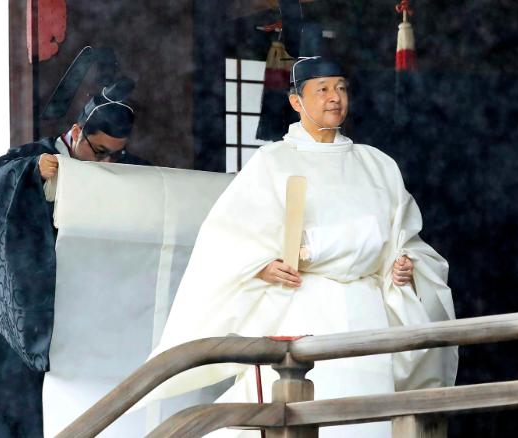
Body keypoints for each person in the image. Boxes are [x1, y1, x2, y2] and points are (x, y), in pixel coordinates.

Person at [143, 56, 458, 437]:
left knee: (365, 417)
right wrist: (261, 265)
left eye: (341, 88)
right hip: (303, 304)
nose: (334, 98)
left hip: (366, 309)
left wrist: (401, 266)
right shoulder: (271, 162)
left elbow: (404, 239)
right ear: (297, 101)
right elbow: (227, 239)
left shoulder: (378, 165)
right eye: (322, 89)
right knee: (302, 410)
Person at [0, 80, 146, 438]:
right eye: (100, 151)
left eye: (115, 155)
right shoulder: (33, 157)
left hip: (76, 307)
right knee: (7, 405)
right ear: (76, 132)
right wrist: (31, 173)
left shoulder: (112, 169)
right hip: (21, 311)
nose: (106, 162)